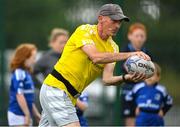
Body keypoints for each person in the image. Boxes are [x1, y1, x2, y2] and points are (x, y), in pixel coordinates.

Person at [39, 4, 151, 127]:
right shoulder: (84, 31)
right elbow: (96, 57)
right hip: (56, 88)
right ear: (100, 18)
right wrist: (131, 54)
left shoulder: (113, 47)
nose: (117, 26)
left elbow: (107, 79)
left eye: (120, 22)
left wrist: (125, 78)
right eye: (114, 21)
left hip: (70, 96)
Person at [120, 23, 152, 126]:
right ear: (129, 36)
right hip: (128, 90)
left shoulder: (147, 53)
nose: (139, 39)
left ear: (145, 38)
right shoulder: (125, 50)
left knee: (144, 119)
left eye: (142, 36)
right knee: (130, 120)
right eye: (136, 36)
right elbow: (123, 66)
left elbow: (152, 72)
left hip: (143, 91)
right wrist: (134, 67)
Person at [8, 44, 41, 126]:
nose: (34, 61)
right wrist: (26, 114)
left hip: (26, 115)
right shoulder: (19, 73)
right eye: (33, 58)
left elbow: (28, 99)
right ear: (24, 57)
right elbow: (20, 95)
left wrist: (36, 114)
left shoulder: (27, 74)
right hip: (18, 115)